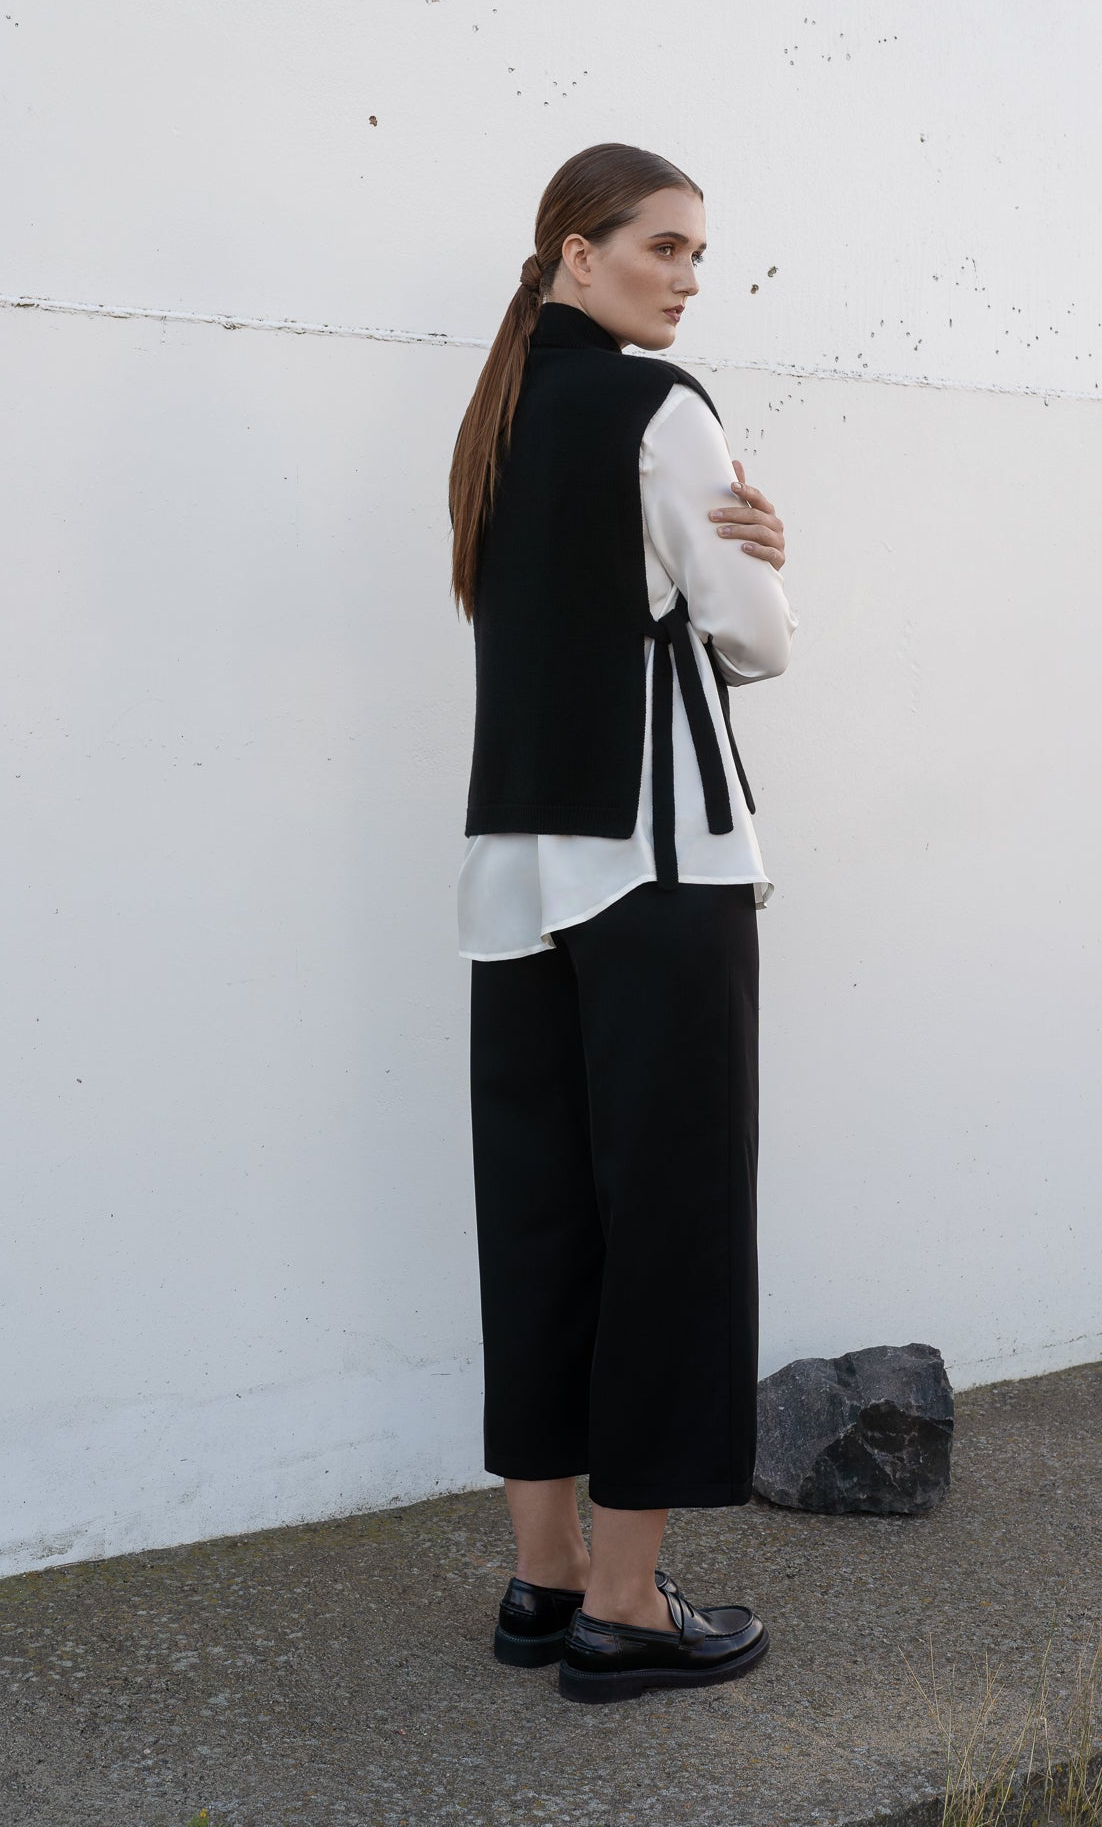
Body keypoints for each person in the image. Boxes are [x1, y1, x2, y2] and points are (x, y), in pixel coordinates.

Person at [448, 142, 797, 1703]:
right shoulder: (663, 408)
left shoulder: (500, 420)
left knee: (538, 1214)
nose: (685, 276)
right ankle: (626, 1601)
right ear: (573, 255)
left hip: (517, 871)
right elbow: (750, 637)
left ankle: (538, 1580)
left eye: (696, 256)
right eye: (662, 246)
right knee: (668, 1222)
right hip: (658, 870)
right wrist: (767, 563)